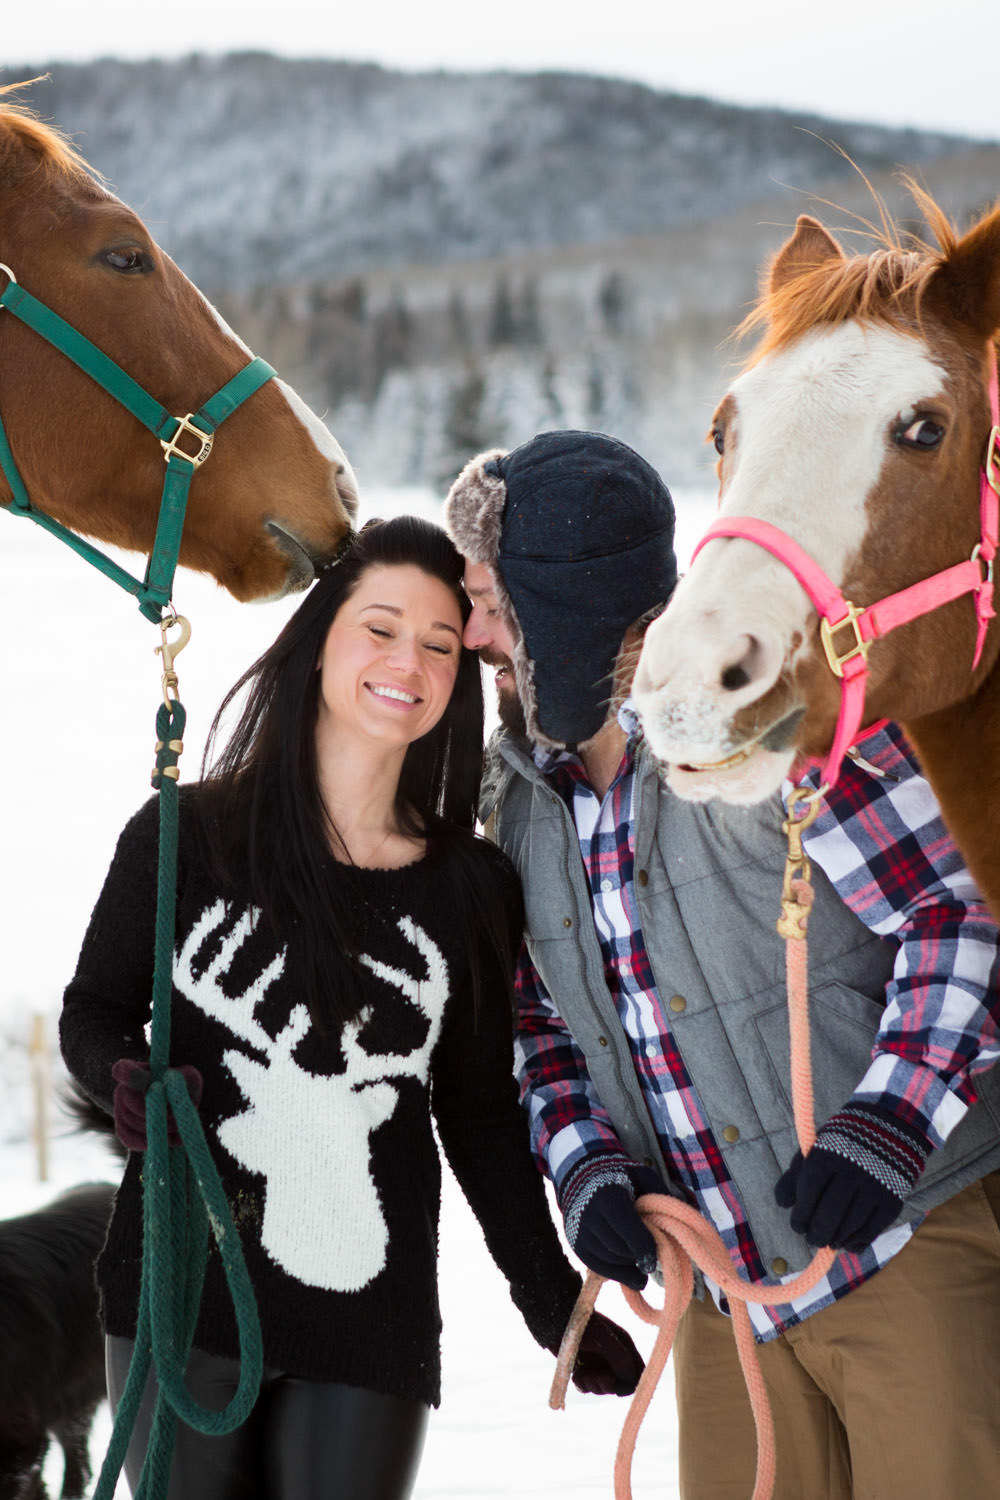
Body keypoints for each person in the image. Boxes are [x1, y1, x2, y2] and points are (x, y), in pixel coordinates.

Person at [444, 430, 1000, 1500]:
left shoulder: (781, 725)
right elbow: (543, 1033)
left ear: (567, 606)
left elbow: (959, 912)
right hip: (721, 1303)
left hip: (905, 1246)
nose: (472, 635)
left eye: (492, 604)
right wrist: (586, 1168)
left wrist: (888, 1123)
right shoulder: (516, 804)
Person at [60, 514, 644, 1500]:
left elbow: (476, 1114)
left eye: (439, 643)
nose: (406, 661)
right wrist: (128, 1080)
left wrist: (553, 1301)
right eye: (380, 627)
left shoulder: (469, 889)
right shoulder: (181, 837)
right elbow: (96, 1011)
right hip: (181, 1294)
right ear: (321, 635)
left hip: (369, 1318)